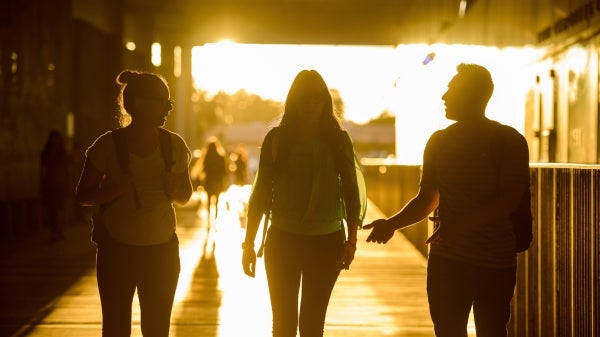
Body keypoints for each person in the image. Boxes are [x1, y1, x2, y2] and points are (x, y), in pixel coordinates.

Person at [363, 63, 530, 337]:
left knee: (492, 330)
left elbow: (510, 199)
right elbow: (428, 198)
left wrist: (458, 226)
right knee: (448, 331)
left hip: (494, 260)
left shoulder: (507, 141)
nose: (444, 97)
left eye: (452, 90)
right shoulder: (439, 142)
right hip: (447, 260)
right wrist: (392, 224)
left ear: (474, 95)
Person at [242, 69, 364, 337]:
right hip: (283, 239)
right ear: (293, 101)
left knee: (312, 324)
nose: (310, 104)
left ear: (325, 101)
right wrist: (248, 243)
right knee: (283, 324)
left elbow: (352, 194)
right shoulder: (277, 139)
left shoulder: (338, 141)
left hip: (327, 241)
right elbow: (260, 194)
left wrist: (352, 240)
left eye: (316, 98)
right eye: (304, 98)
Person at [75, 70, 193, 337]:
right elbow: (82, 195)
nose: (168, 108)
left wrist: (174, 189)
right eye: (163, 101)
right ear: (139, 103)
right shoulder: (107, 145)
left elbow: (185, 195)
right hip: (117, 252)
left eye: (170, 102)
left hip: (162, 252)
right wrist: (115, 191)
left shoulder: (173, 145)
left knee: (157, 329)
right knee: (116, 328)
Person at [39, 129, 70, 241]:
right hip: (49, 185)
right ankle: (53, 231)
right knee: (51, 209)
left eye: (56, 138)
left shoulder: (63, 154)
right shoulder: (45, 154)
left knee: (60, 209)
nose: (54, 141)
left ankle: (59, 231)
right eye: (52, 138)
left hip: (61, 185)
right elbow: (43, 170)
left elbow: (66, 170)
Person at [201, 137, 228, 222]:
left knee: (209, 201)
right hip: (218, 181)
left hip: (209, 181)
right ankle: (215, 219)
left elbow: (204, 170)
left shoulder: (207, 157)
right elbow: (224, 171)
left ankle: (209, 219)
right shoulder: (220, 157)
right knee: (217, 201)